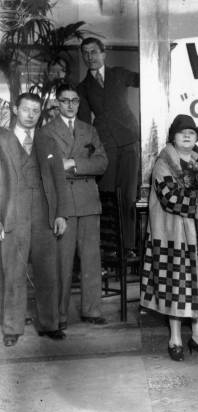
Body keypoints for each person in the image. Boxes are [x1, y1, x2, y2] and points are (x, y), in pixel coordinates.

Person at [140, 114, 198, 361]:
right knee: (176, 286)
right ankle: (174, 338)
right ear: (173, 136)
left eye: (192, 133)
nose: (187, 136)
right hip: (173, 234)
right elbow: (171, 199)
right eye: (182, 132)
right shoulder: (164, 163)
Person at [1, 93, 69, 346]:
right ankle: (11, 328)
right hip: (11, 211)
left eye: (36, 111)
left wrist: (60, 213)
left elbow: (59, 180)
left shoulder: (47, 140)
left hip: (43, 213)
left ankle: (49, 324)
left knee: (47, 271)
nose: (31, 115)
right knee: (13, 271)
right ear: (16, 109)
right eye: (26, 109)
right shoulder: (2, 138)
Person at [41, 83, 109, 330]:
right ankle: (58, 316)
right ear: (57, 103)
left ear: (79, 103)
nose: (70, 105)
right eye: (65, 100)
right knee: (62, 260)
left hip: (89, 202)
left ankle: (92, 310)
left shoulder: (89, 130)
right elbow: (48, 167)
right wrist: (70, 166)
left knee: (92, 259)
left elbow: (102, 163)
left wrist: (72, 163)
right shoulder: (47, 132)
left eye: (75, 100)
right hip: (63, 203)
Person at [77, 37, 139, 252]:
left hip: (130, 139)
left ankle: (129, 246)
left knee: (129, 196)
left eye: (94, 51)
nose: (89, 57)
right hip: (105, 145)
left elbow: (147, 78)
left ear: (104, 54)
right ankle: (111, 248)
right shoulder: (82, 87)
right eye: (85, 53)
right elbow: (84, 123)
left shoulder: (120, 74)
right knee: (109, 194)